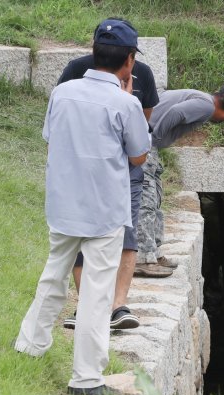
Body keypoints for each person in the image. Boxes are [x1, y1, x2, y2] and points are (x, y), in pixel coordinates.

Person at [14, 19, 150, 395]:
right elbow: (138, 155)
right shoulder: (127, 102)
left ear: (93, 52)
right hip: (104, 211)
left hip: (63, 203)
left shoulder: (64, 92)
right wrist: (128, 99)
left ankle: (30, 344)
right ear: (129, 61)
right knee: (96, 293)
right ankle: (86, 378)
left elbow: (49, 138)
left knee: (53, 275)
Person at [58, 18, 159, 330]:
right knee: (80, 233)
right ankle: (88, 304)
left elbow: (141, 129)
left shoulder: (143, 75)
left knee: (126, 234)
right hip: (83, 169)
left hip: (125, 171)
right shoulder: (76, 71)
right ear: (129, 55)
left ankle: (117, 305)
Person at [135, 84, 224, 276]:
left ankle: (153, 252)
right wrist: (155, 137)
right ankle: (142, 258)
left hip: (144, 143)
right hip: (144, 144)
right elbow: (176, 112)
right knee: (147, 201)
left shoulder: (198, 97)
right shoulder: (207, 106)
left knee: (155, 198)